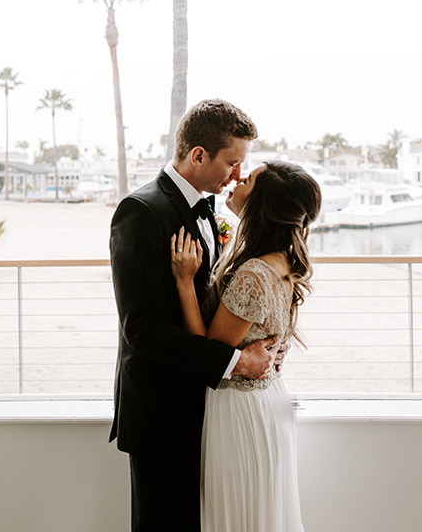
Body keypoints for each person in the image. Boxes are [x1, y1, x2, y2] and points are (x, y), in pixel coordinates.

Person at [109, 99, 285, 532]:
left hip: (206, 406)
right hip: (162, 410)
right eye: (231, 162)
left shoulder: (209, 210)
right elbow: (143, 327)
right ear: (198, 155)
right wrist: (235, 361)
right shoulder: (142, 212)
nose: (237, 175)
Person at [171, 160, 322, 532]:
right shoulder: (282, 261)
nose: (238, 178)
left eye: (249, 178)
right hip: (265, 401)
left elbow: (209, 349)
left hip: (241, 409)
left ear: (263, 204)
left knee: (240, 515)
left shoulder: (255, 273)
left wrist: (185, 281)